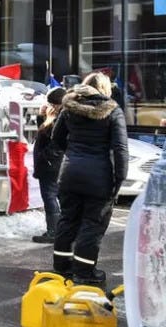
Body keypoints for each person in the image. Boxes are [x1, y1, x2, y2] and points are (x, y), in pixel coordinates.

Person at [51, 72, 128, 285]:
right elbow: (120, 149)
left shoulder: (69, 108)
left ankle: (61, 268)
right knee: (92, 225)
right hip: (100, 178)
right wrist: (119, 179)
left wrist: (74, 156)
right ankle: (84, 273)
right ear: (105, 89)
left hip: (69, 175)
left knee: (67, 220)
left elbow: (56, 139)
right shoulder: (113, 111)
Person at [31, 86, 67, 244]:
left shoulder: (60, 118)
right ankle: (61, 230)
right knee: (56, 197)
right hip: (54, 164)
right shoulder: (60, 116)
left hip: (51, 165)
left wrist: (45, 157)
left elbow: (53, 140)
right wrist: (42, 117)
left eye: (51, 102)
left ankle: (54, 231)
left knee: (50, 197)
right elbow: (44, 134)